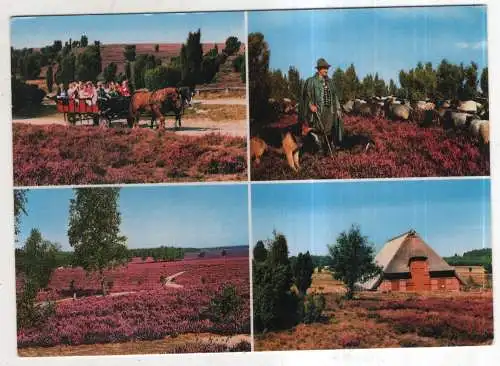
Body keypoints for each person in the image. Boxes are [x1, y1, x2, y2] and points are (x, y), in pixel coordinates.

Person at [299, 58, 344, 154]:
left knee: (329, 129)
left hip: (330, 110)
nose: (326, 70)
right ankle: (318, 149)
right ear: (319, 69)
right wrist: (310, 105)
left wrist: (338, 109)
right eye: (324, 68)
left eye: (327, 68)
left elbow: (335, 96)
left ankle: (329, 149)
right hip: (318, 110)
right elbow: (307, 96)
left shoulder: (330, 82)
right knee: (317, 129)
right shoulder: (311, 81)